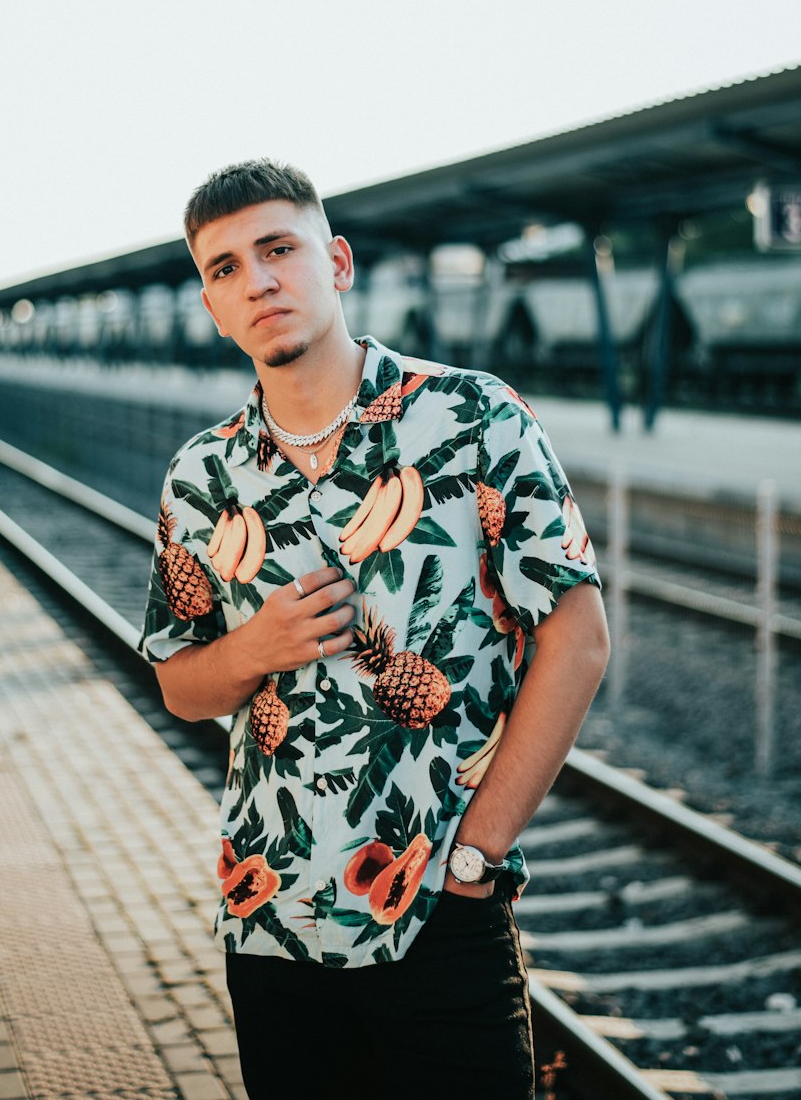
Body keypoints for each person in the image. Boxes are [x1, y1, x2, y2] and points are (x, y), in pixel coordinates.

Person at [140, 160, 610, 1099]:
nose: (259, 280)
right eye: (226, 268)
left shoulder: (474, 418)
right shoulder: (203, 478)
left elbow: (579, 638)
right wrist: (254, 651)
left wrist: (476, 855)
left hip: (439, 909)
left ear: (337, 262)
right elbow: (179, 685)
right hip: (270, 911)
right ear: (212, 305)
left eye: (279, 249)